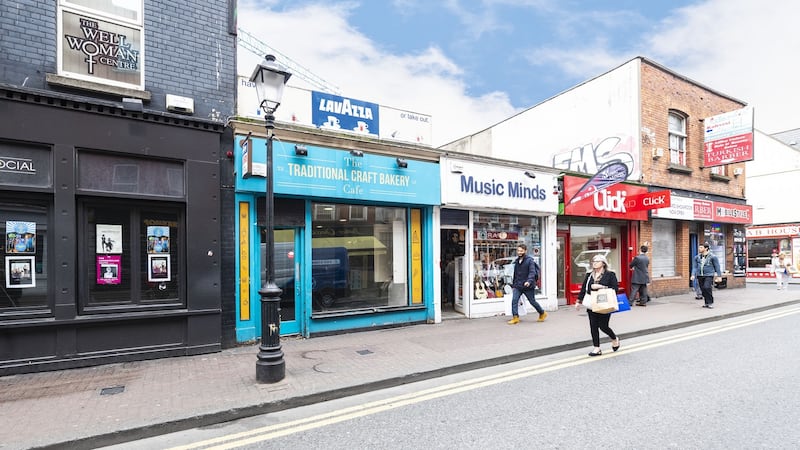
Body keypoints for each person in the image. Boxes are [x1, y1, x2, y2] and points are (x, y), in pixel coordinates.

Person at [577, 254, 620, 356]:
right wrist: (578, 301)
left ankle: (614, 338)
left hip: (605, 303)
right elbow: (584, 288)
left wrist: (601, 286)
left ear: (603, 263)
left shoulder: (610, 274)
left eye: (597, 261)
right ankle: (597, 348)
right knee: (593, 326)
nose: (594, 263)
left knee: (603, 326)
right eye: (593, 261)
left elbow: (615, 289)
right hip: (592, 303)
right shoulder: (589, 275)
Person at [507, 244, 546, 324]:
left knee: (532, 301)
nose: (519, 252)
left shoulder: (530, 261)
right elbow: (515, 274)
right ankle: (515, 317)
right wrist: (514, 285)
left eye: (521, 251)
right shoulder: (517, 261)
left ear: (525, 251)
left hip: (528, 286)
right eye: (518, 251)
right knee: (514, 300)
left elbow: (532, 272)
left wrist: (529, 281)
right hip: (518, 285)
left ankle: (542, 313)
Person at [690, 242, 721, 309]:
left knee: (707, 287)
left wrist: (719, 276)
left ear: (706, 248)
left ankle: (710, 302)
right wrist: (693, 275)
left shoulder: (713, 257)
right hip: (700, 275)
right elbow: (694, 267)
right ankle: (706, 303)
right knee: (703, 289)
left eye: (701, 247)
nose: (699, 249)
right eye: (699, 247)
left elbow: (717, 266)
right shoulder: (697, 257)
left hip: (709, 275)